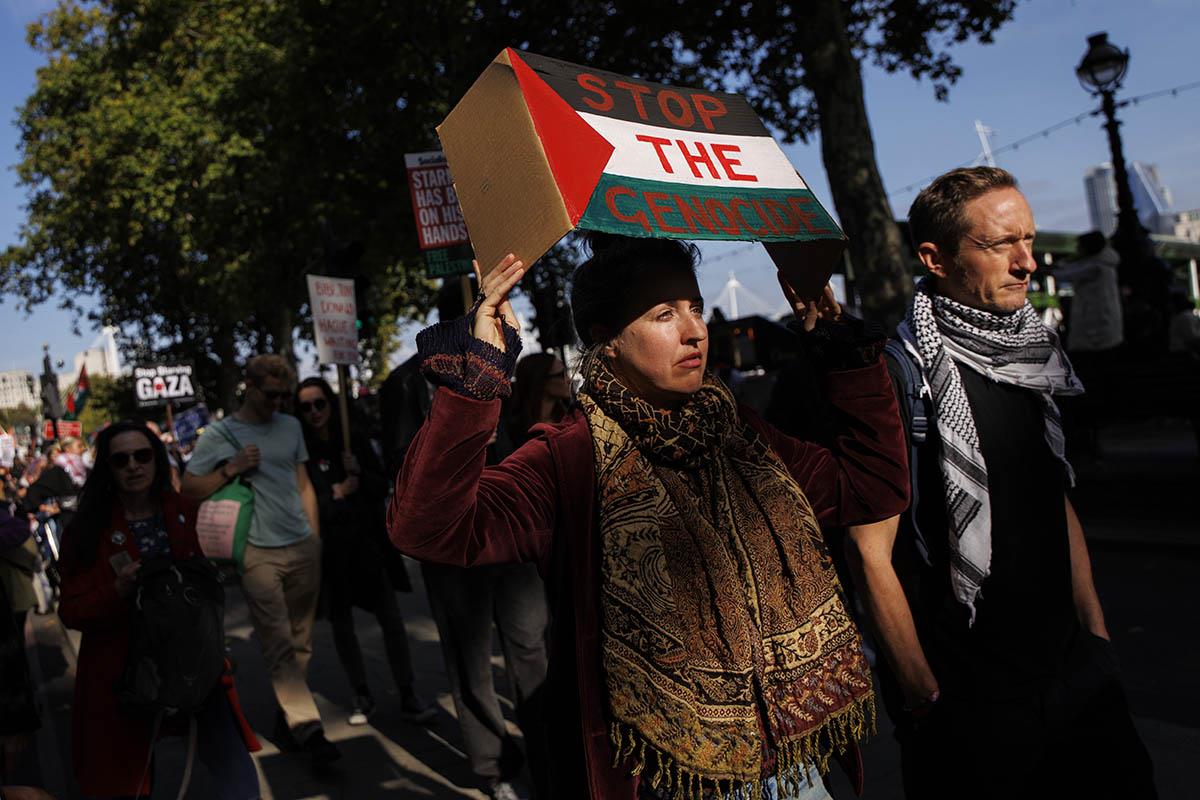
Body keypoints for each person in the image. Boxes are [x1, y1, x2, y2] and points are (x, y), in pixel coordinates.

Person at [389, 235, 909, 799]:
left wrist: (838, 347)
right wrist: (478, 381)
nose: (696, 330)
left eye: (696, 308)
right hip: (657, 777)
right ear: (605, 341)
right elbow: (428, 527)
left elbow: (872, 487)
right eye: (665, 314)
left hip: (791, 765)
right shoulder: (567, 458)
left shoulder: (742, 437)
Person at [847, 166, 1156, 799]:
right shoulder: (899, 376)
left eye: (1029, 240)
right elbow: (868, 551)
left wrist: (1094, 635)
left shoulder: (1034, 353)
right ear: (935, 258)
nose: (1027, 262)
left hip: (1077, 678)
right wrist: (923, 696)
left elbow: (1053, 493)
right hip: (973, 700)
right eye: (999, 245)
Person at [57, 421, 260, 798]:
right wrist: (116, 590)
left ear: (156, 459)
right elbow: (71, 611)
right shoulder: (85, 531)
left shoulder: (186, 511)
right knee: (127, 782)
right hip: (125, 673)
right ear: (107, 468)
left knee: (235, 776)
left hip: (193, 665)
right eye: (120, 459)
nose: (133, 465)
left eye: (142, 455)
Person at [182, 354, 339, 765]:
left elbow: (302, 482)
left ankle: (288, 719)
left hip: (303, 546)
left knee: (302, 641)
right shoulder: (220, 433)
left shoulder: (289, 426)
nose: (279, 403)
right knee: (277, 644)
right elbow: (189, 487)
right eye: (271, 394)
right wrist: (231, 468)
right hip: (256, 552)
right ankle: (309, 729)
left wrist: (314, 537)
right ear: (248, 388)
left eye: (284, 395)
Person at [293, 377, 434, 726]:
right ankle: (362, 693)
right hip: (333, 554)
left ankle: (408, 692)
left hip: (368, 548)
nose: (314, 412)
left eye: (319, 403)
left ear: (330, 402)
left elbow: (382, 484)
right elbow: (304, 505)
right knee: (343, 627)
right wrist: (336, 493)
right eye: (306, 407)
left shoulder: (353, 438)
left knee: (391, 619)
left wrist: (360, 475)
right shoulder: (302, 452)